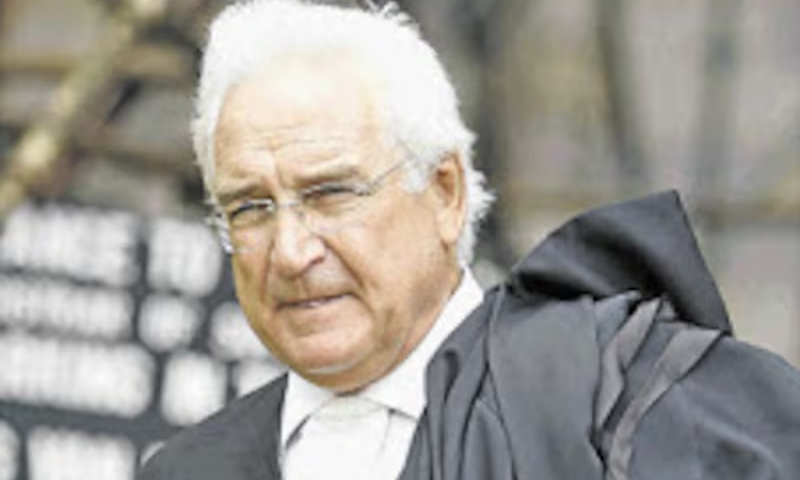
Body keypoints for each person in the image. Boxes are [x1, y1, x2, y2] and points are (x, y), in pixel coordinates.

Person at [137, 1, 800, 479]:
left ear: (446, 192)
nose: (290, 251)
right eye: (250, 208)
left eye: (330, 193)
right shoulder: (189, 470)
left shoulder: (615, 389)